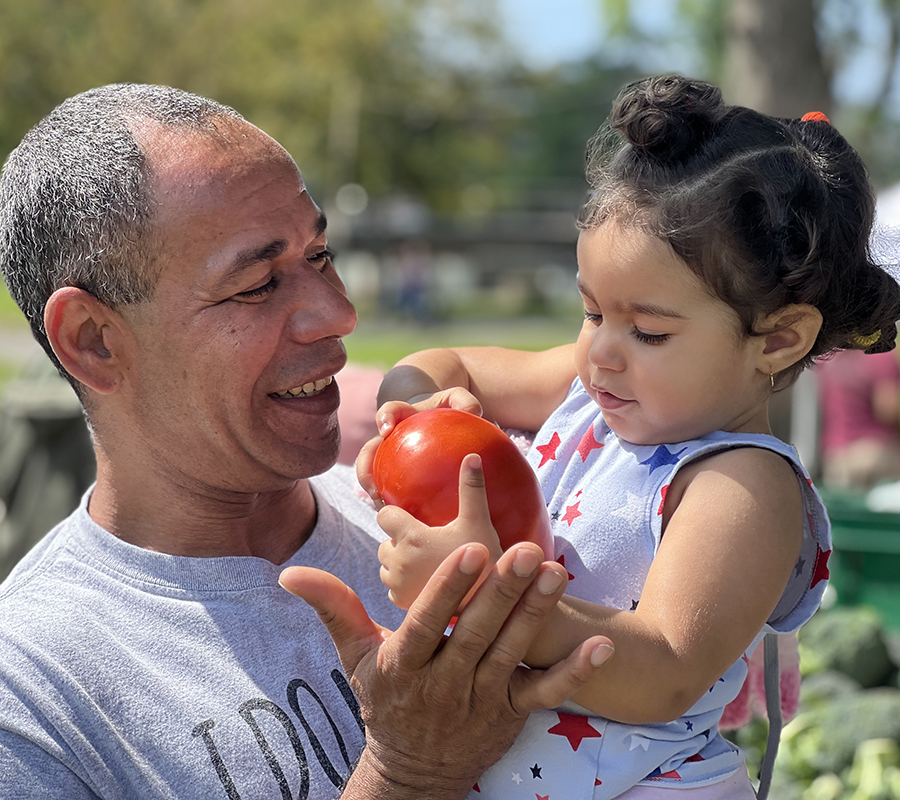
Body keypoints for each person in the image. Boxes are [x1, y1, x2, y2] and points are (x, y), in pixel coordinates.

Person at [0, 84, 615, 799]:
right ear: (93, 341)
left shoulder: (438, 518)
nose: (338, 314)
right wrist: (411, 773)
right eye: (258, 283)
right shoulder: (32, 695)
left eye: (320, 255)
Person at [356, 75, 900, 798]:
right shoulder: (593, 388)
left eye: (648, 331)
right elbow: (437, 363)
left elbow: (666, 671)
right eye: (590, 313)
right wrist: (424, 411)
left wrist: (484, 591)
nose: (602, 352)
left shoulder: (741, 484)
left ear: (779, 339)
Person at [814, 347, 900, 490]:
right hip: (873, 454)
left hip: (834, 457)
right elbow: (887, 412)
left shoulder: (828, 357)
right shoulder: (881, 354)